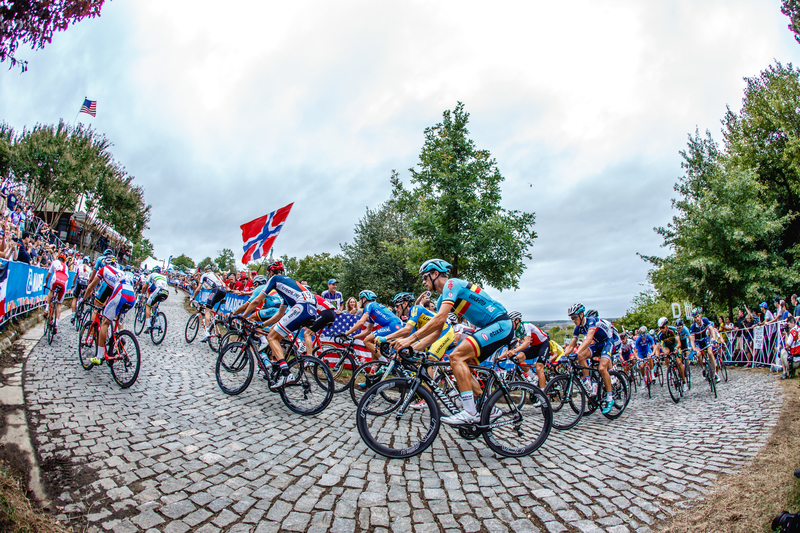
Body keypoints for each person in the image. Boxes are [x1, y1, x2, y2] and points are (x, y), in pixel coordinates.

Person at [392, 259, 513, 425]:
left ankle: (470, 412)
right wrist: (412, 348)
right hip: (491, 327)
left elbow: (440, 318)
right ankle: (489, 408)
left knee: (456, 356)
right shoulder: (442, 300)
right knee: (463, 364)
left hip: (500, 324)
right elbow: (437, 332)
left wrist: (410, 339)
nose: (423, 282)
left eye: (425, 277)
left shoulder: (451, 284)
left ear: (435, 274)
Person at [238, 260, 317, 388]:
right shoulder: (287, 286)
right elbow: (280, 314)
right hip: (311, 309)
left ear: (271, 272)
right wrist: (263, 325)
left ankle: (286, 373)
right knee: (274, 332)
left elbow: (257, 300)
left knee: (271, 337)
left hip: (302, 307)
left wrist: (243, 316)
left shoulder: (274, 279)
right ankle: (277, 364)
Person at [564, 304, 621, 414]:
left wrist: (576, 352)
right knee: (581, 356)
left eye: (574, 317)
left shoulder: (591, 321)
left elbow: (589, 339)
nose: (573, 320)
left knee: (602, 368)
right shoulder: (578, 328)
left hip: (608, 342)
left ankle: (610, 398)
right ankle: (588, 383)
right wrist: (563, 356)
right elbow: (571, 345)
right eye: (571, 318)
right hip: (598, 343)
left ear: (581, 315)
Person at [80, 256, 135, 366]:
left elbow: (91, 287)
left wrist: (83, 299)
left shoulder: (103, 269)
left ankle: (99, 356)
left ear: (105, 264)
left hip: (120, 291)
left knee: (105, 322)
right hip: (131, 295)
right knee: (118, 318)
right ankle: (119, 337)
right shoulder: (121, 272)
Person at [344, 290, 402, 360]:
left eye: (360, 299)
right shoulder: (374, 309)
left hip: (393, 326)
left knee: (366, 341)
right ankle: (375, 364)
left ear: (364, 299)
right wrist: (354, 337)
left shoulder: (369, 305)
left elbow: (361, 322)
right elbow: (368, 330)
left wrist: (346, 334)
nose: (359, 301)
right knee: (374, 343)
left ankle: (384, 362)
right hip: (396, 326)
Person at [501, 311, 550, 389]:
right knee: (519, 357)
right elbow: (510, 348)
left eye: (511, 322)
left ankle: (542, 393)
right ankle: (533, 378)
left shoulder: (526, 326)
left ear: (517, 320)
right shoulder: (516, 332)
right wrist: (499, 357)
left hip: (543, 345)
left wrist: (514, 351)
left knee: (539, 368)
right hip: (534, 347)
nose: (510, 324)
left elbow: (527, 343)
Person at [192, 265, 227, 343]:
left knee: (207, 310)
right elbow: (212, 286)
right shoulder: (216, 275)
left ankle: (206, 332)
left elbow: (198, 289)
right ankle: (213, 319)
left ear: (206, 270)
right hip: (224, 290)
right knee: (211, 306)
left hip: (217, 290)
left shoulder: (204, 275)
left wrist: (193, 297)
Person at [689, 307, 720, 382]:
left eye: (698, 316)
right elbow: (692, 340)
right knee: (698, 355)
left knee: (710, 353)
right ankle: (703, 368)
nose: (697, 319)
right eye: (695, 317)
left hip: (705, 339)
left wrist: (714, 339)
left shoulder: (705, 320)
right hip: (697, 342)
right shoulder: (693, 327)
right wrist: (694, 350)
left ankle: (715, 373)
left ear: (701, 315)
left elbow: (711, 329)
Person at [654, 317, 686, 383]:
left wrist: (676, 348)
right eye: (660, 328)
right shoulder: (659, 335)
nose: (661, 329)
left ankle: (684, 380)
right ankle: (670, 369)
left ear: (667, 325)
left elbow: (679, 343)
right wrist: (657, 357)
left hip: (675, 345)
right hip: (667, 346)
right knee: (665, 353)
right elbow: (657, 348)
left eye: (663, 327)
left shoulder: (673, 330)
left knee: (679, 362)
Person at [43, 253, 69, 332]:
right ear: (64, 261)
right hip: (64, 281)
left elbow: (48, 275)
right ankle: (56, 324)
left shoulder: (54, 262)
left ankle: (46, 308)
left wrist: (46, 284)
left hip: (56, 277)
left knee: (51, 291)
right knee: (59, 304)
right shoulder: (66, 266)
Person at [143, 266, 169, 333]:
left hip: (159, 290)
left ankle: (148, 325)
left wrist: (142, 294)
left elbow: (144, 286)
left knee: (148, 305)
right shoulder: (163, 276)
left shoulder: (151, 275)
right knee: (155, 301)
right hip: (166, 292)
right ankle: (154, 316)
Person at [70, 257, 93, 323]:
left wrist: (73, 285)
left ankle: (73, 315)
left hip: (79, 282)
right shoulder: (90, 269)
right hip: (86, 283)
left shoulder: (79, 267)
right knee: (84, 297)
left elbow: (75, 278)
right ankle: (82, 301)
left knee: (75, 298)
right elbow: (91, 279)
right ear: (88, 263)